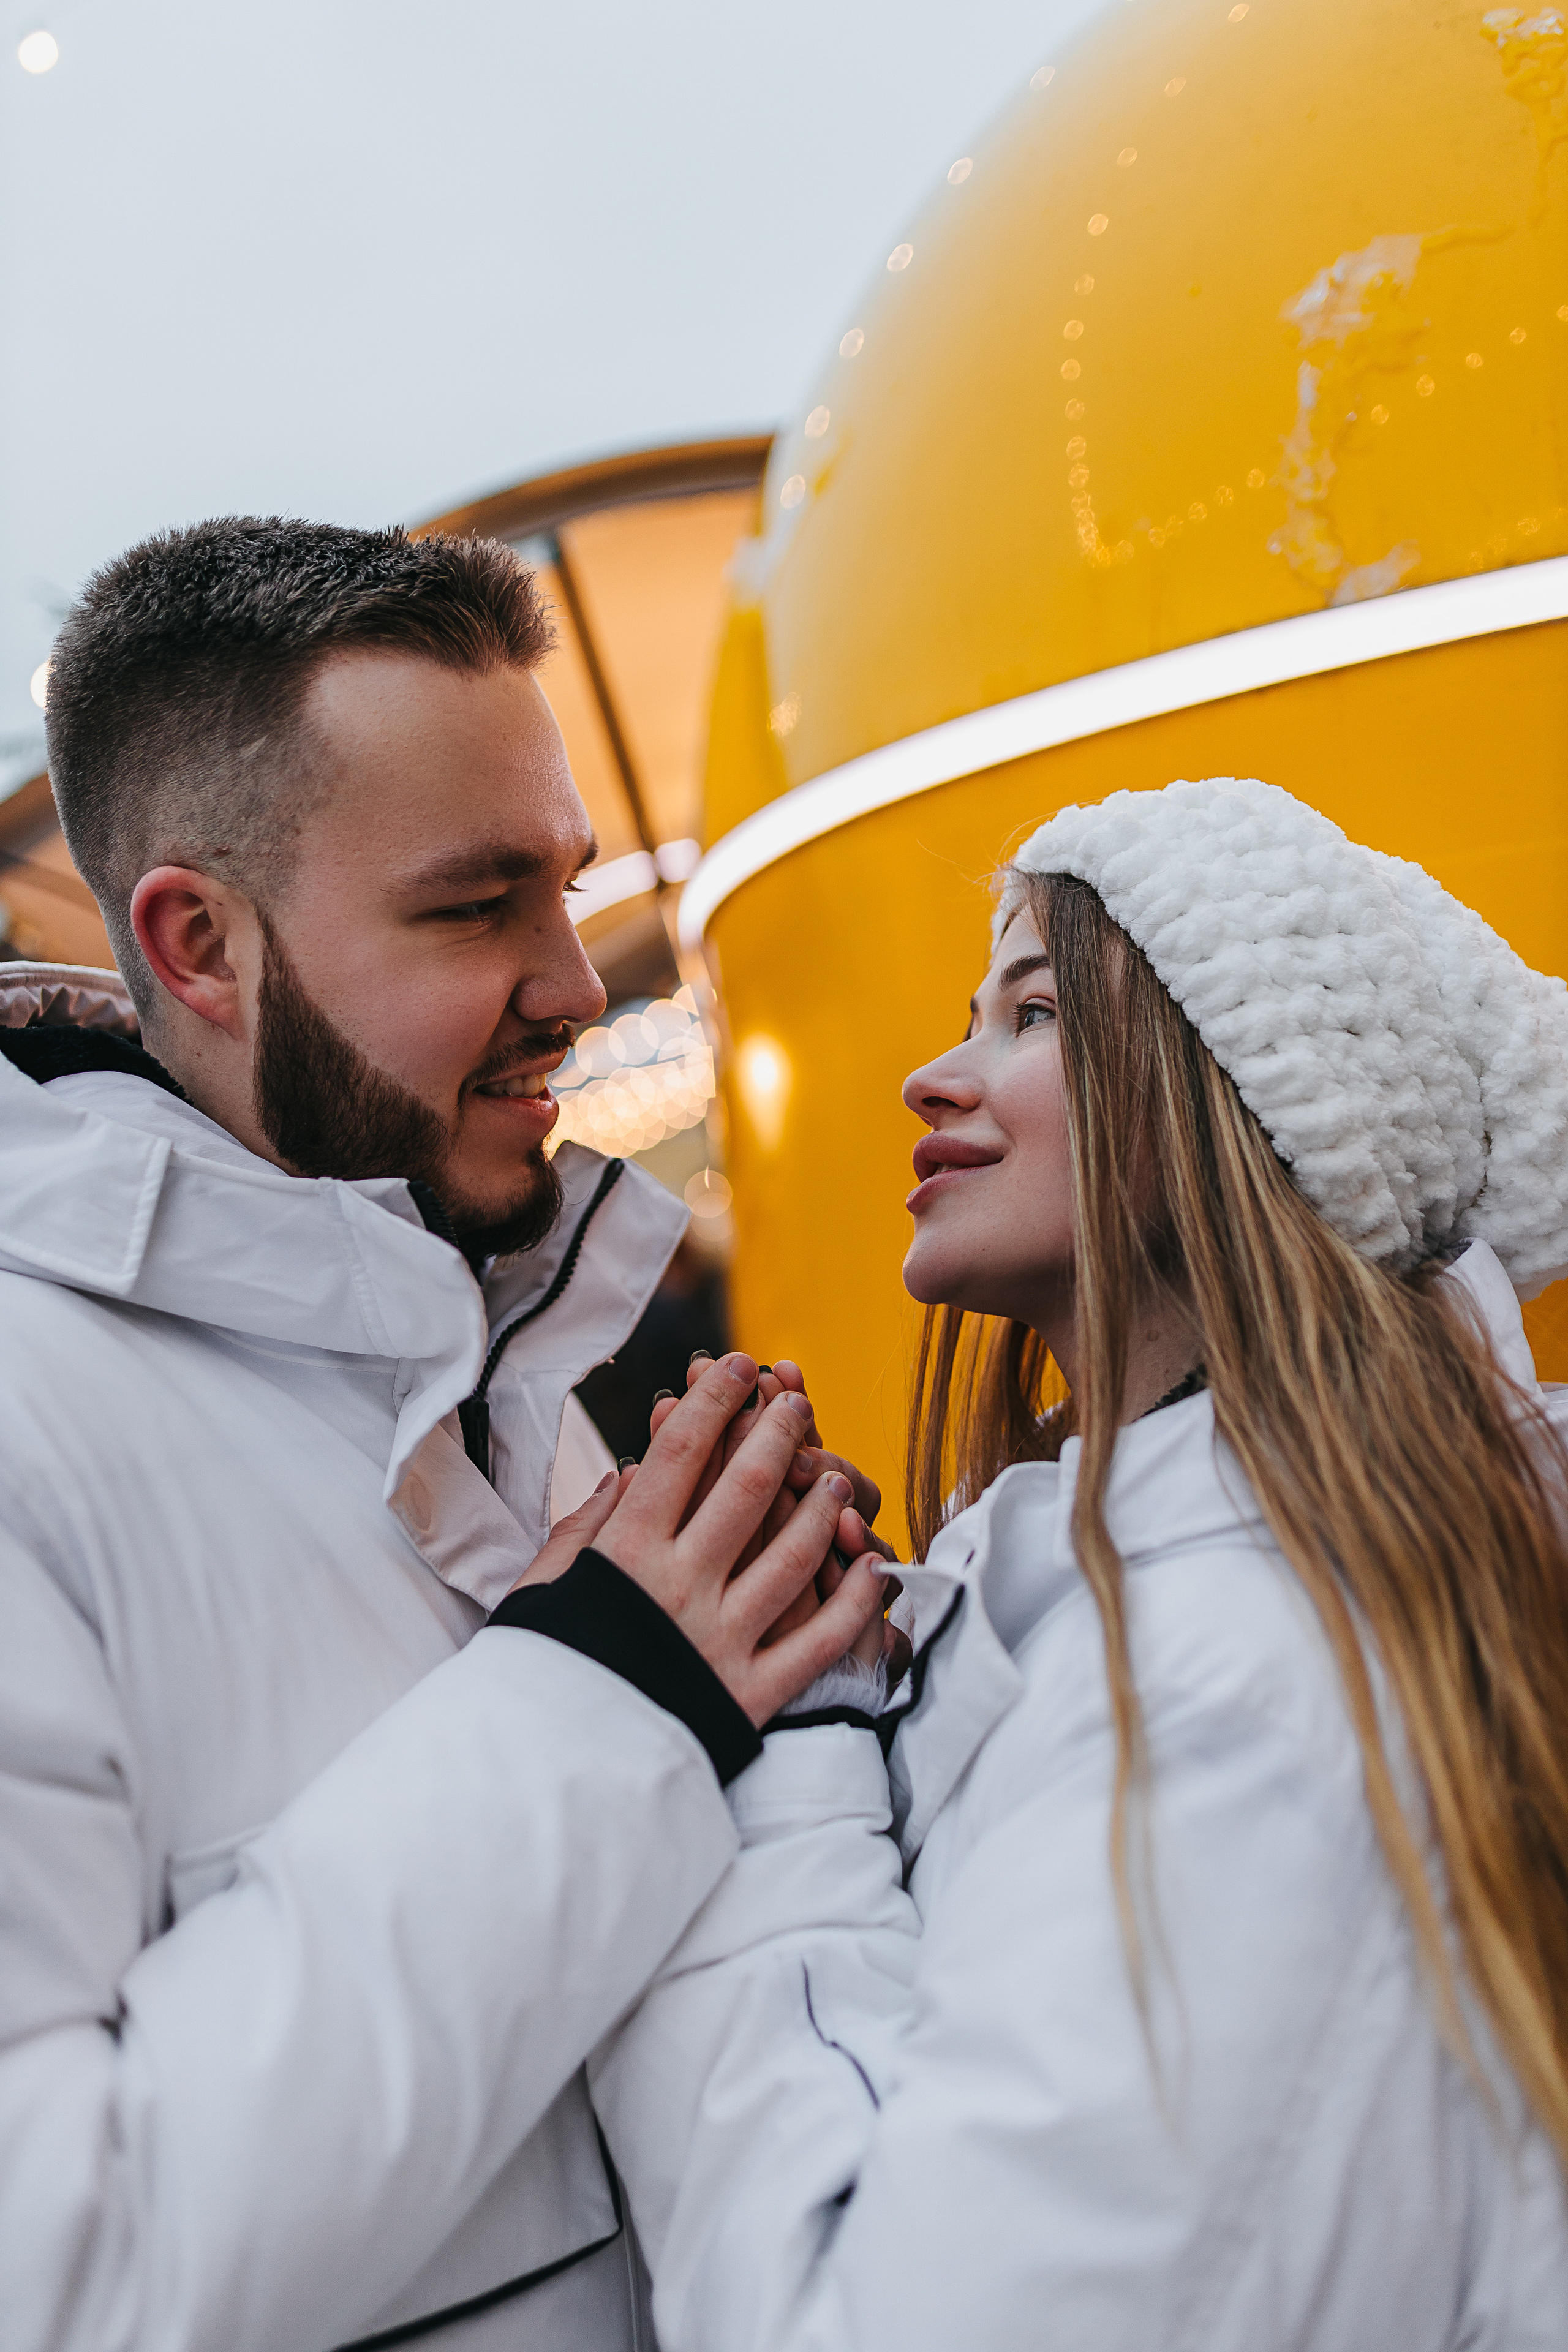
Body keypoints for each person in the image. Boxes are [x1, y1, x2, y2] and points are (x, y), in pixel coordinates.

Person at [0, 518, 888, 2352]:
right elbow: (55, 2278)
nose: (580, 983)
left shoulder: (497, 1362)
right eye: (479, 906)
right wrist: (618, 1692)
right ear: (200, 944)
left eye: (566, 888)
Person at [556, 777, 1568, 2348]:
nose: (928, 1075)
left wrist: (785, 1755)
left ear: (1242, 1096)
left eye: (1030, 1014)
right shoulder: (1124, 1602)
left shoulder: (1239, 1675)